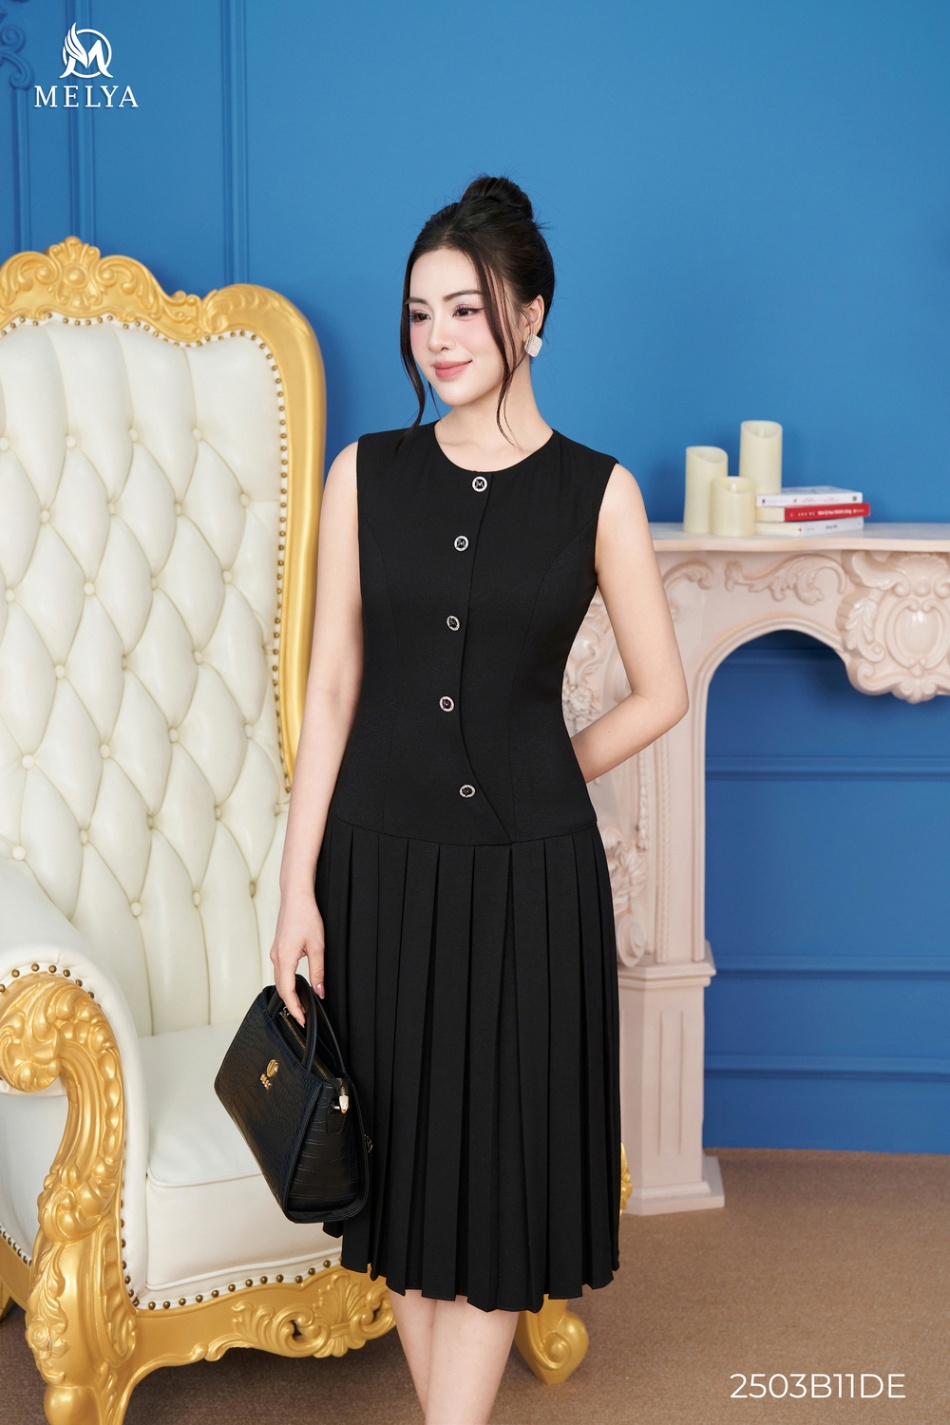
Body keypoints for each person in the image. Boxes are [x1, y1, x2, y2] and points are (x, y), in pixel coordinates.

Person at [271, 173, 689, 1425]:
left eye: (468, 309)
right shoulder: (365, 475)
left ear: (533, 318)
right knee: (398, 1177)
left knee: (497, 1181)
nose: (439, 338)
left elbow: (661, 691)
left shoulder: (596, 493)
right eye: (420, 314)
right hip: (376, 873)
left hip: (526, 878)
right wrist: (295, 890)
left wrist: (548, 766)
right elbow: (330, 688)